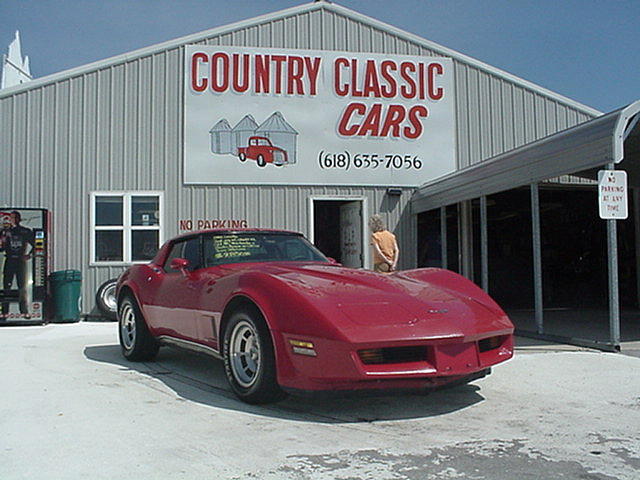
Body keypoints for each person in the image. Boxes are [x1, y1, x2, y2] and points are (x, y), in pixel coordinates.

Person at [2, 211, 34, 315]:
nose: (11, 220)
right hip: (9, 260)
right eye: (10, 218)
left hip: (20, 261)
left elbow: (37, 244)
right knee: (6, 286)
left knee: (22, 286)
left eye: (13, 218)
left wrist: (29, 255)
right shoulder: (4, 232)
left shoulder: (25, 231)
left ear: (18, 219)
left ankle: (23, 311)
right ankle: (4, 311)